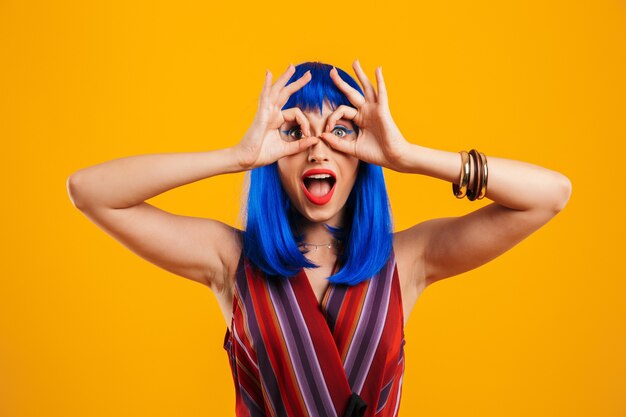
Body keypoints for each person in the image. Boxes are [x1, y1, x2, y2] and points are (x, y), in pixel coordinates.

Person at [66, 60, 572, 417]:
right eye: (294, 133)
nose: (317, 150)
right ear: (273, 156)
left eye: (341, 132)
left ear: (365, 156)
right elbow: (90, 191)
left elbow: (550, 194)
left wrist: (408, 155)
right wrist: (236, 157)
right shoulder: (231, 261)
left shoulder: (407, 260)